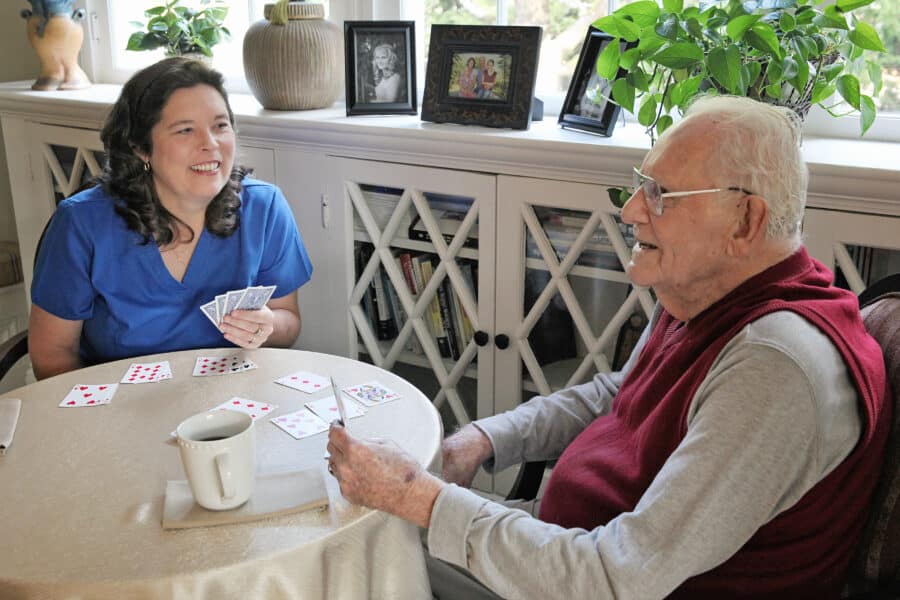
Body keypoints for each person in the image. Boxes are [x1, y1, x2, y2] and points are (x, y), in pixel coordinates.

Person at [326, 95, 891, 598]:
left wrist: (417, 496)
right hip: (570, 547)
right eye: (639, 186)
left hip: (596, 579)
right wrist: (484, 438)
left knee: (361, 555)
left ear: (744, 220)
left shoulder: (775, 367)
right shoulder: (706, 295)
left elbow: (621, 576)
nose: (630, 211)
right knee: (370, 534)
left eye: (661, 195)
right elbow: (619, 396)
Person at [29, 57, 313, 380]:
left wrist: (268, 326)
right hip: (121, 411)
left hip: (229, 403)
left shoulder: (266, 208)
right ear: (141, 148)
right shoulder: (80, 224)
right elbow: (51, 354)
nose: (210, 144)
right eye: (185, 130)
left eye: (220, 126)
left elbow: (288, 321)